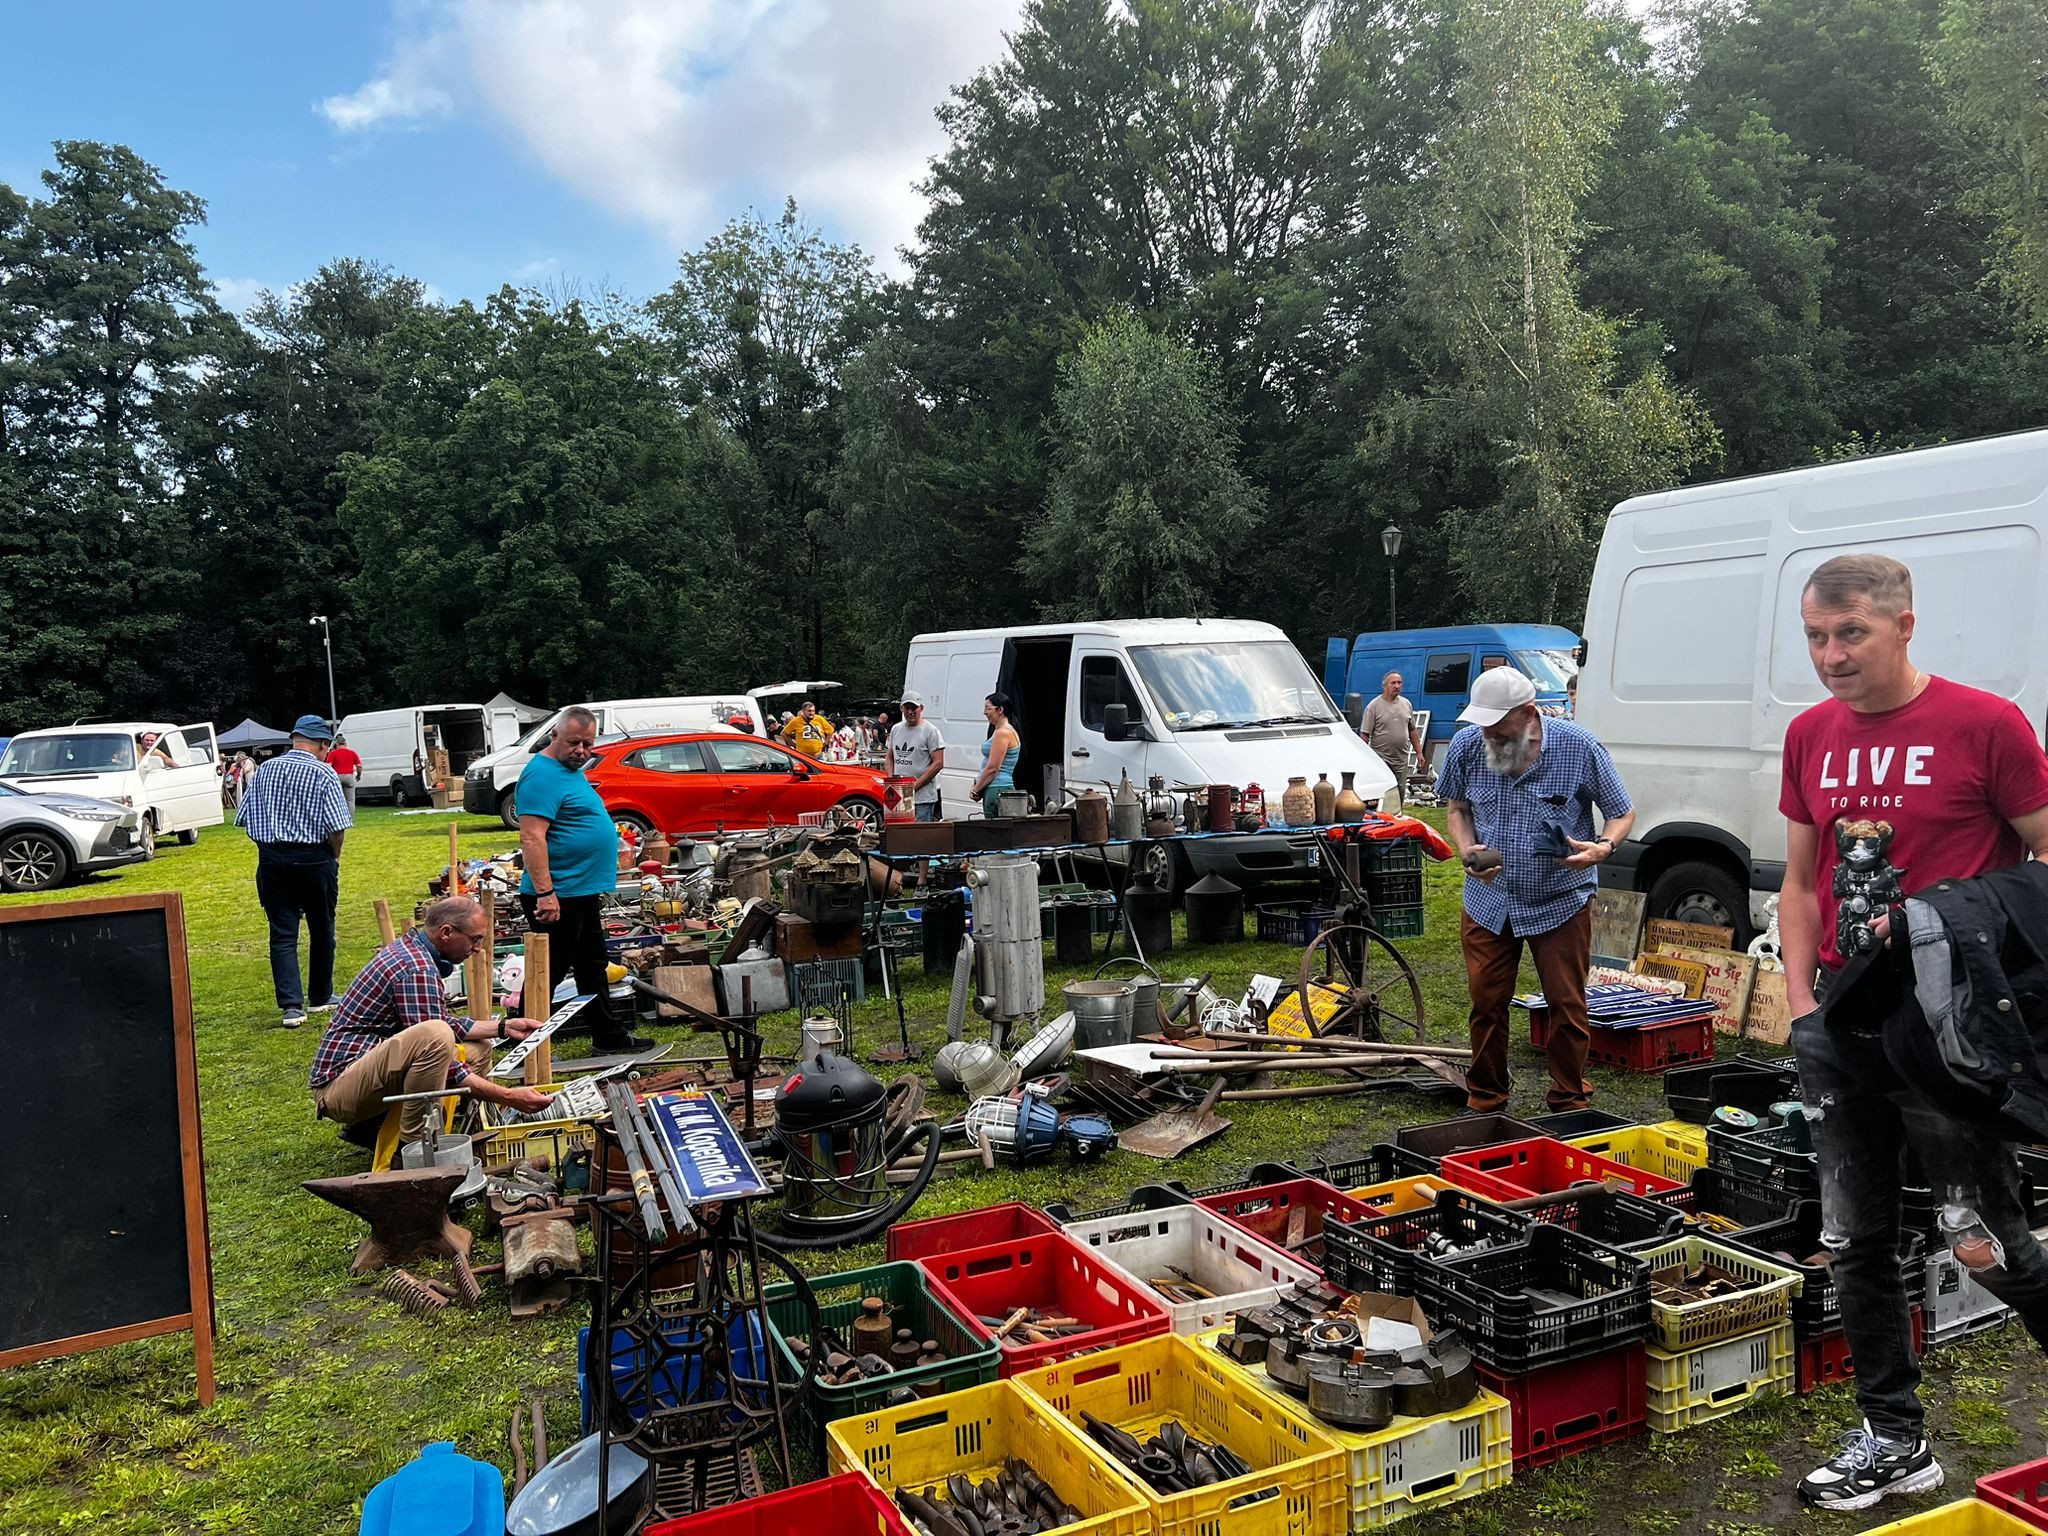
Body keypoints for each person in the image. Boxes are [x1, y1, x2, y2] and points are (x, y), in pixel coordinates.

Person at [1777, 553, 2048, 1512]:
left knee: (1986, 1241)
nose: (1830, 655)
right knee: (1855, 1241)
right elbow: (1799, 874)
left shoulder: (1986, 725)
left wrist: (1958, 924)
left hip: (1947, 1039)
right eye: (1815, 635)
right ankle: (1894, 1440)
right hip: (1842, 1031)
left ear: (1903, 624)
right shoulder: (1810, 734)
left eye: (1849, 633)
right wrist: (1802, 1005)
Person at [1437, 667, 1634, 1114]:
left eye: (1498, 726)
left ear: (1528, 714)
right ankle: (1486, 1096)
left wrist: (1602, 847)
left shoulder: (1577, 746)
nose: (1488, 734)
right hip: (1491, 902)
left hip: (1559, 899)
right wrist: (1468, 851)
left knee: (1566, 1004)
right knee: (1486, 1001)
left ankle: (1568, 1098)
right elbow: (1457, 808)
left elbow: (1622, 812)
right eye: (1483, 725)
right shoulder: (1469, 745)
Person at [307, 895, 553, 1144]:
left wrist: (503, 1027)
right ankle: (415, 1147)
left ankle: (380, 1128)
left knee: (478, 1049)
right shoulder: (417, 968)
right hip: (339, 1089)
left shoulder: (415, 950)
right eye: (475, 939)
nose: (478, 948)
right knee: (437, 1037)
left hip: (364, 1069)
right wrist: (507, 1096)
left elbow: (438, 1021)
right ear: (446, 932)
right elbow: (438, 1045)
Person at [515, 707, 651, 1053]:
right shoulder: (541, 775)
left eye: (587, 744)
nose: (581, 750)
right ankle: (522, 1043)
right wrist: (546, 893)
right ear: (554, 736)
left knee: (592, 966)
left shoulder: (568, 770)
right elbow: (532, 837)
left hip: (581, 891)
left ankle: (609, 1037)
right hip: (557, 894)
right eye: (574, 742)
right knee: (549, 972)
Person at [236, 715, 353, 1027]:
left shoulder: (264, 770)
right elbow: (337, 827)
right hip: (315, 858)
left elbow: (245, 817)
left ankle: (291, 1007)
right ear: (323, 744)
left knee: (283, 934)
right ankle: (321, 995)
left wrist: (271, 847)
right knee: (322, 927)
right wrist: (335, 857)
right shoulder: (324, 772)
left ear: (295, 739)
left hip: (272, 858)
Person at [1361, 671, 1425, 815]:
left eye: (1399, 683)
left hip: (1401, 758)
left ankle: (1398, 816)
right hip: (1381, 757)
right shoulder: (1374, 706)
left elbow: (1412, 730)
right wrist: (1365, 759)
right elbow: (1365, 734)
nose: (1397, 686)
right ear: (1385, 686)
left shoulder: (1406, 704)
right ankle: (1380, 817)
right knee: (1384, 790)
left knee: (1400, 789)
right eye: (1393, 683)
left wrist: (1419, 752)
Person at [886, 692, 947, 821]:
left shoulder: (930, 731)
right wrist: (891, 782)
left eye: (913, 708)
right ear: (901, 709)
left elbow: (938, 763)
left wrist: (914, 786)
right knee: (898, 833)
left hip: (922, 797)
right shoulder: (896, 729)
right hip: (898, 794)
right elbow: (890, 757)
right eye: (906, 708)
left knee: (919, 837)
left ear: (921, 708)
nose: (910, 712)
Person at [969, 692, 1021, 819]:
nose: (985, 713)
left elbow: (993, 768)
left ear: (1000, 710)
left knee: (995, 833)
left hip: (997, 788)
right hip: (996, 787)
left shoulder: (1003, 733)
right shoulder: (1001, 731)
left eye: (988, 708)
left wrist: (976, 789)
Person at [326, 733, 362, 817]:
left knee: (337, 799)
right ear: (345, 744)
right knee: (350, 800)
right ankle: (349, 819)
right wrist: (359, 775)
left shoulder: (333, 753)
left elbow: (328, 766)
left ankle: (338, 817)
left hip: (337, 777)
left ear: (336, 745)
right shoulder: (352, 753)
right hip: (349, 777)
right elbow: (359, 766)